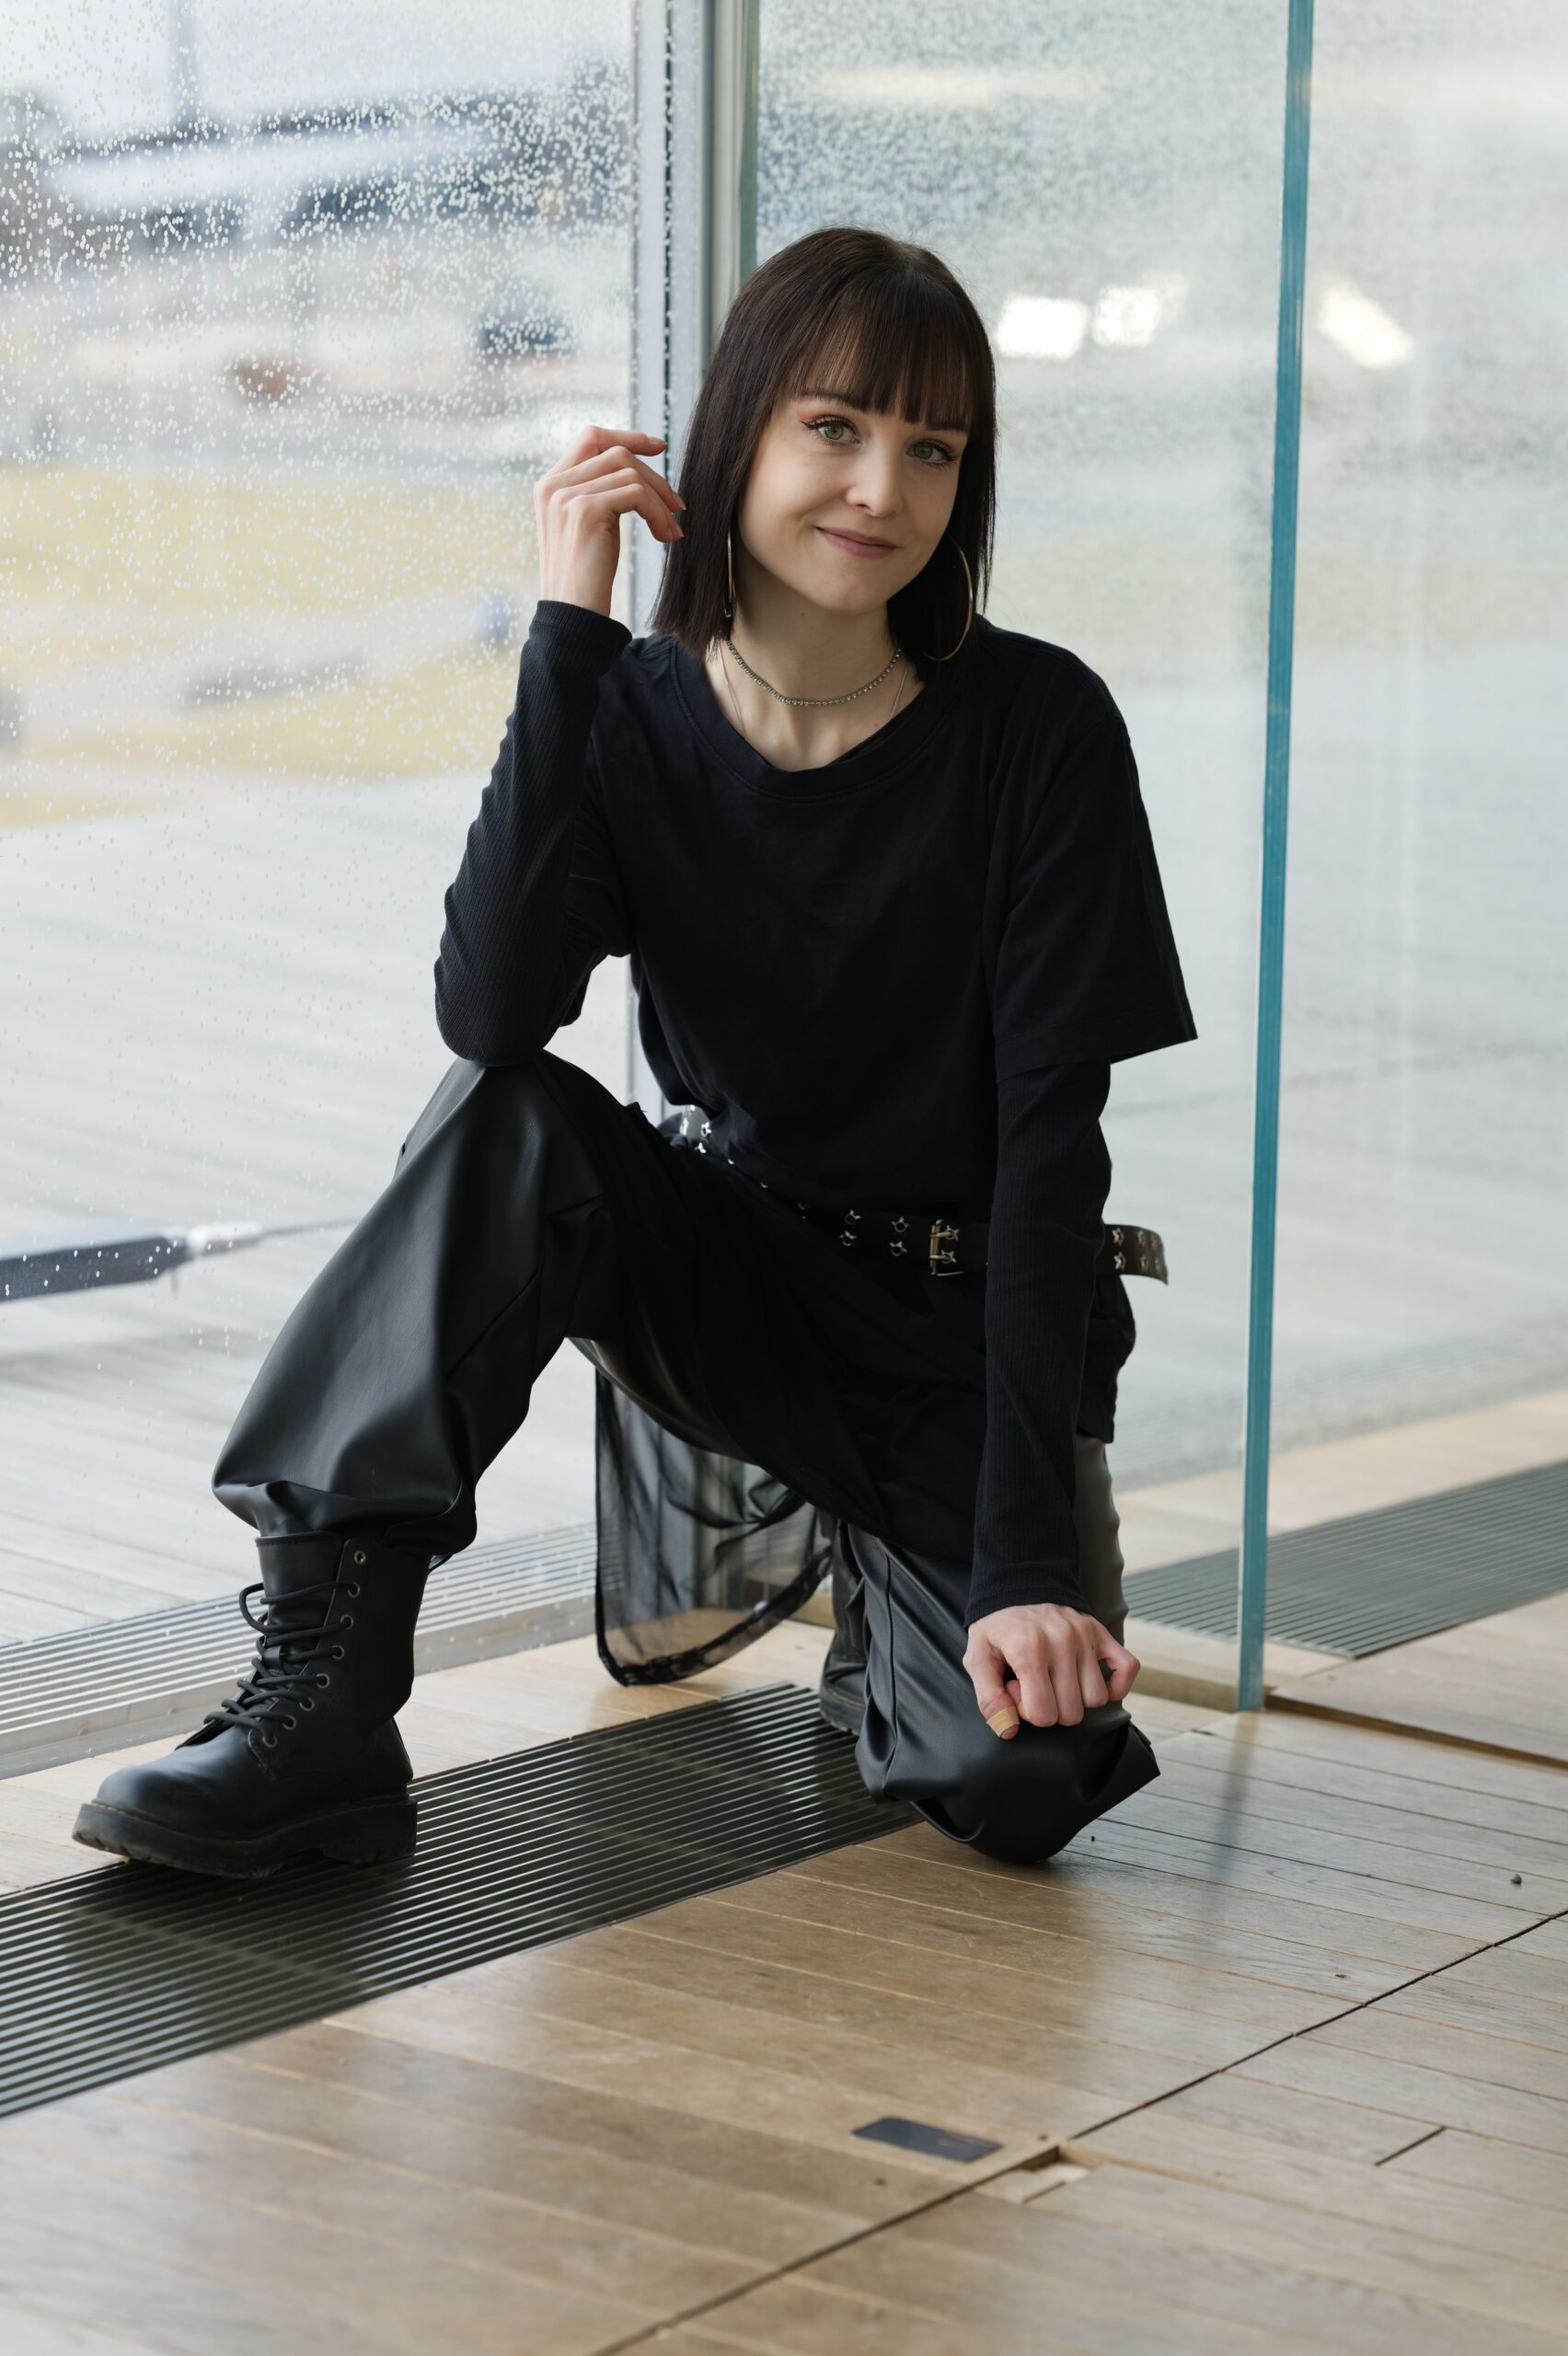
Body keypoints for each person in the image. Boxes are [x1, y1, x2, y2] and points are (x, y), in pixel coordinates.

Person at [73, 226, 1197, 1882]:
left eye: (933, 448)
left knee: (1021, 1786)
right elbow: (493, 1013)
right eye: (835, 426)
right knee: (511, 1120)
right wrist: (566, 630)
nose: (881, 485)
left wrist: (1027, 1558)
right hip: (730, 1281)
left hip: (959, 1329)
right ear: (737, 432)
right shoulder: (636, 709)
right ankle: (320, 1708)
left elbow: (1050, 1160)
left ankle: (898, 1609)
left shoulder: (1042, 729)